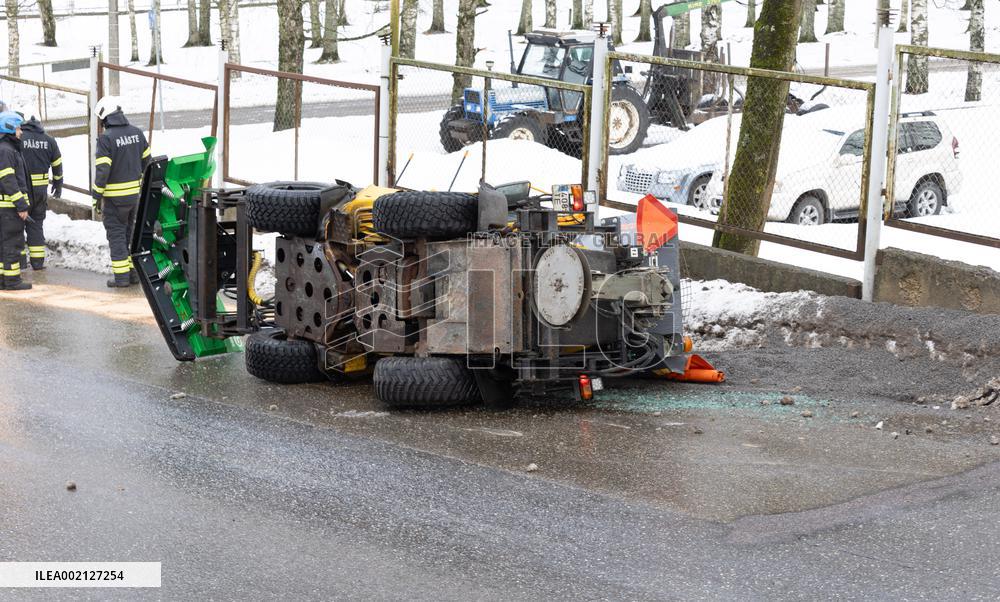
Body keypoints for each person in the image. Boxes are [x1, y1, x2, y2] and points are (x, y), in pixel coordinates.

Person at [92, 96, 150, 288]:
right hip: (134, 197)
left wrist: (96, 196)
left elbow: (102, 171)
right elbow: (147, 163)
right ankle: (132, 275)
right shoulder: (137, 133)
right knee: (129, 235)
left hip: (114, 200)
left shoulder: (106, 139)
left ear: (105, 117)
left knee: (116, 236)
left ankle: (121, 278)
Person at [19, 113, 62, 270]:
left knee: (17, 227)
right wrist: (58, 182)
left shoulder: (18, 139)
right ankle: (37, 263)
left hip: (21, 191)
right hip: (40, 192)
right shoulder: (49, 140)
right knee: (36, 225)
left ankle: (21, 263)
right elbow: (57, 163)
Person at [0, 111, 31, 290]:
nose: (21, 132)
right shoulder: (6, 150)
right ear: (10, 128)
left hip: (6, 206)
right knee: (12, 242)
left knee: (4, 243)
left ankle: (3, 279)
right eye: (19, 128)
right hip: (9, 208)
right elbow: (9, 180)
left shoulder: (6, 149)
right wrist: (20, 204)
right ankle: (12, 280)